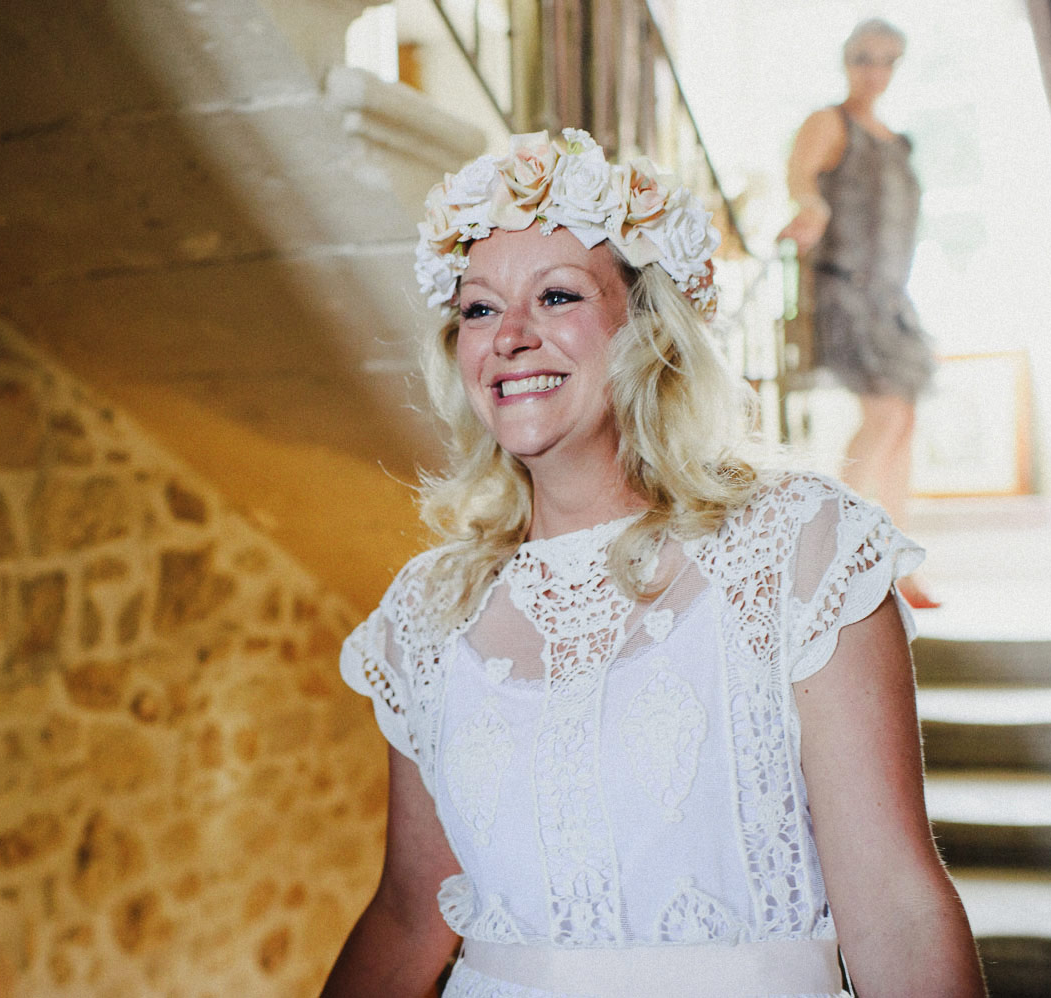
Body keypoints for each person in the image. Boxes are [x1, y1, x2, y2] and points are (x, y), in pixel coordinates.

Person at [322, 129, 985, 997]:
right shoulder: (429, 610)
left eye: (556, 297)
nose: (510, 336)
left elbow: (896, 907)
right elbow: (411, 912)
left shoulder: (800, 551)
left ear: (648, 329)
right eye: (479, 309)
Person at [777, 18, 940, 609]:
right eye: (864, 57)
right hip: (844, 288)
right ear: (847, 60)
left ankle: (898, 559)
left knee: (905, 420)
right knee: (885, 416)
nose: (875, 69)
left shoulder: (899, 141)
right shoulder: (829, 122)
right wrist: (811, 208)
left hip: (892, 297)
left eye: (887, 60)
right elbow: (801, 181)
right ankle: (835, 550)